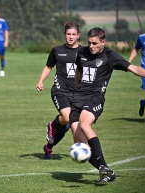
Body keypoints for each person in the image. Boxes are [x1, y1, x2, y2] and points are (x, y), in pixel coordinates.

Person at [69, 27, 145, 183]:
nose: (91, 46)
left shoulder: (110, 56)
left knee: (85, 123)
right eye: (89, 43)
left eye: (95, 43)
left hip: (95, 98)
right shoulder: (82, 53)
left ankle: (103, 168)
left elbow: (135, 68)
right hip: (77, 99)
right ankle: (106, 171)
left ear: (103, 42)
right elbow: (79, 71)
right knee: (80, 144)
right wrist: (76, 89)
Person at [36, 21, 83, 160]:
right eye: (68, 34)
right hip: (60, 90)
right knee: (68, 118)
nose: (71, 36)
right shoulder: (57, 50)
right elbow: (48, 67)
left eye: (73, 34)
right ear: (64, 34)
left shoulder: (84, 51)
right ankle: (53, 124)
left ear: (78, 35)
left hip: (77, 93)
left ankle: (49, 147)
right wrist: (40, 81)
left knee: (67, 125)